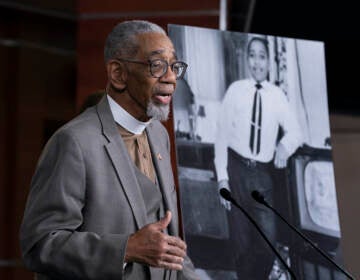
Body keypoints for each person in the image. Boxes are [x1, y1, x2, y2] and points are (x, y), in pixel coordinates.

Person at [20, 20, 199, 280]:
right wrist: (125, 249)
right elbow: (39, 244)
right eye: (157, 65)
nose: (171, 77)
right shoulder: (74, 141)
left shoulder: (159, 135)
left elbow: (168, 248)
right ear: (118, 73)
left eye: (174, 66)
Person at [214, 36, 302, 279]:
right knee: (241, 244)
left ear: (269, 62)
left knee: (268, 241)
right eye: (252, 55)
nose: (257, 62)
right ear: (247, 59)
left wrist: (284, 147)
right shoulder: (235, 91)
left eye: (262, 56)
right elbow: (221, 136)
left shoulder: (277, 96)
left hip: (263, 175)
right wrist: (222, 179)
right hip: (236, 170)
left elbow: (296, 132)